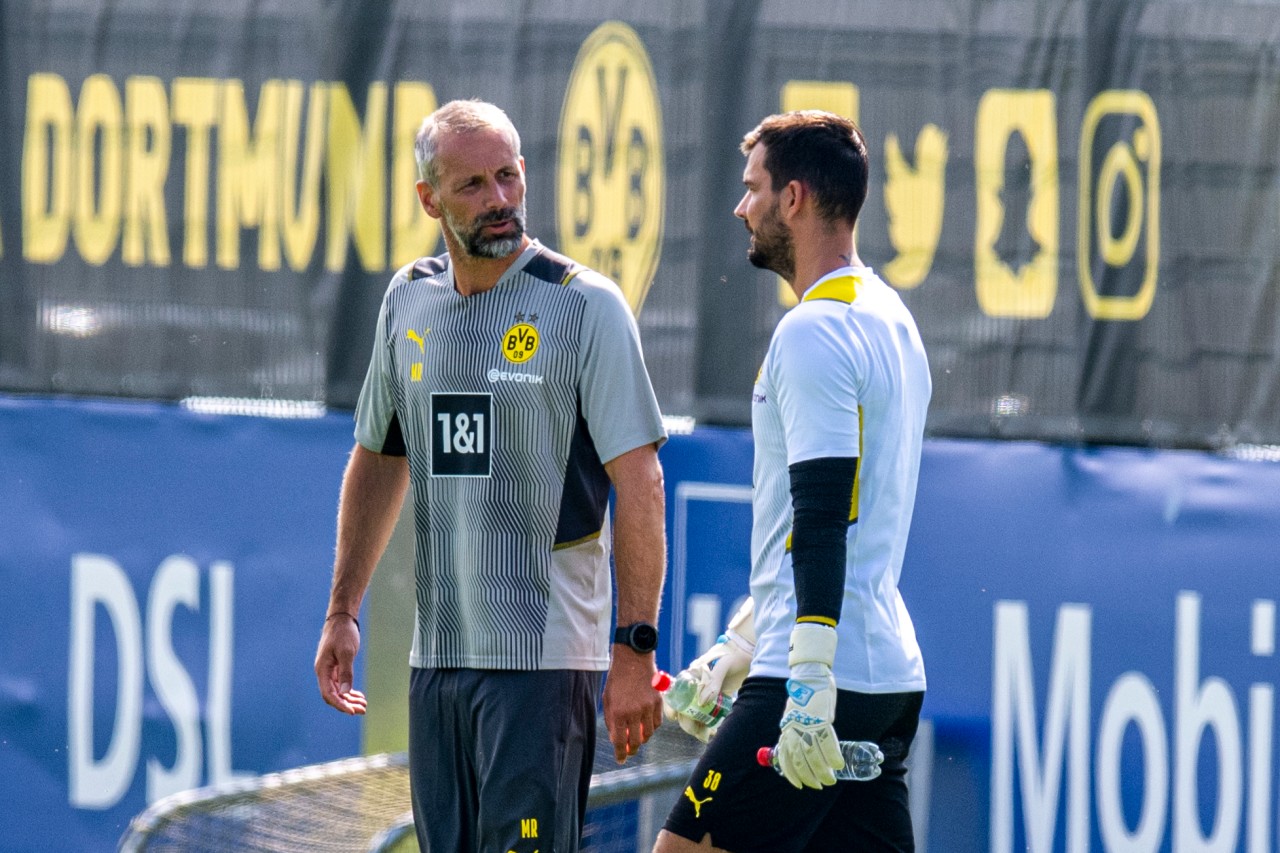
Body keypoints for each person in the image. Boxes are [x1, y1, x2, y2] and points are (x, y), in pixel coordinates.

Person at [313, 99, 668, 853]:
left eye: (508, 176)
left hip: (541, 667)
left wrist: (634, 647)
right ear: (428, 199)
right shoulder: (407, 300)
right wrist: (343, 608)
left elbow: (641, 482)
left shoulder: (585, 307)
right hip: (438, 662)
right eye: (472, 184)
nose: (499, 199)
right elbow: (379, 457)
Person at [655, 110, 930, 852]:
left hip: (818, 684)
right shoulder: (890, 317)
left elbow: (822, 513)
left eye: (753, 189)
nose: (742, 208)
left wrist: (803, 681)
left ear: (796, 198)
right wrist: (741, 642)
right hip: (884, 676)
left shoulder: (813, 330)